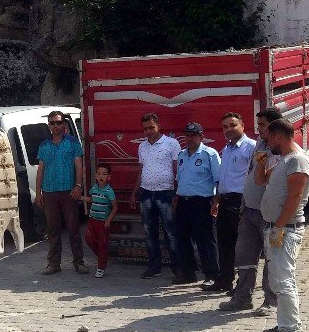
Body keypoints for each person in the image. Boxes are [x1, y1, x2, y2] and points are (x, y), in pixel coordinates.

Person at [256, 118, 309, 332]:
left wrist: (279, 226)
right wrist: (260, 163)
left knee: (283, 280)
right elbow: (261, 181)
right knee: (277, 280)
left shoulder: (297, 161)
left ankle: (292, 331)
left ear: (279, 137)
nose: (266, 142)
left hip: (286, 229)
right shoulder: (284, 161)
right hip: (277, 227)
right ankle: (284, 326)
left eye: (269, 138)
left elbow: (295, 198)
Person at [220, 107, 282, 315]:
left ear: (275, 126)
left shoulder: (283, 150)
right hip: (249, 210)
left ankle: (270, 301)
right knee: (244, 256)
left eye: (263, 126)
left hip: (271, 214)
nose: (260, 129)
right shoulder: (260, 145)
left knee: (272, 258)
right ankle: (243, 297)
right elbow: (251, 173)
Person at [35, 110, 88, 275]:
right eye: (52, 123)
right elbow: (41, 170)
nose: (55, 126)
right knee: (53, 229)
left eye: (58, 122)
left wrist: (78, 185)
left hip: (69, 192)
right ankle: (54, 264)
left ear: (64, 124)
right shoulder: (44, 145)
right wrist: (38, 193)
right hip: (50, 192)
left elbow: (79, 166)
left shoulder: (72, 143)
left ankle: (79, 262)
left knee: (73, 228)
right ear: (49, 125)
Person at [131, 113, 181, 279]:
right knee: (149, 232)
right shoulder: (142, 147)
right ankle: (154, 266)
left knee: (171, 233)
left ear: (158, 125)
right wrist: (134, 192)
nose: (148, 131)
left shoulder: (172, 144)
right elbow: (141, 170)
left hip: (166, 193)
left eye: (151, 127)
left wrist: (177, 193)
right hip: (146, 194)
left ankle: (178, 269)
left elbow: (178, 170)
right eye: (145, 128)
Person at [210, 112, 256, 295]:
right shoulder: (227, 149)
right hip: (225, 200)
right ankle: (225, 280)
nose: (228, 129)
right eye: (225, 127)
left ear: (242, 126)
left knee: (242, 247)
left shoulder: (250, 147)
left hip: (241, 201)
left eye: (232, 125)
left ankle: (242, 285)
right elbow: (224, 178)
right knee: (225, 243)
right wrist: (217, 200)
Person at [173, 122, 221, 287]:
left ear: (201, 136)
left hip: (203, 201)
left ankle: (212, 274)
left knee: (205, 240)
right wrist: (176, 199)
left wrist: (216, 202)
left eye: (193, 135)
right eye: (187, 135)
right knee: (182, 239)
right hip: (184, 202)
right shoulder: (181, 155)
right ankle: (188, 273)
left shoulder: (210, 154)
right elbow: (179, 180)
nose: (190, 138)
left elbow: (219, 180)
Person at [84, 162, 119, 278]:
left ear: (109, 177)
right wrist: (80, 197)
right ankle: (101, 256)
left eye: (104, 174)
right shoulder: (93, 188)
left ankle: (101, 267)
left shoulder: (109, 191)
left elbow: (115, 207)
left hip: (103, 222)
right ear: (95, 176)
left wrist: (108, 220)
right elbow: (91, 199)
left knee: (103, 244)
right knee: (89, 239)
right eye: (98, 174)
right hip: (92, 219)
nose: (101, 176)